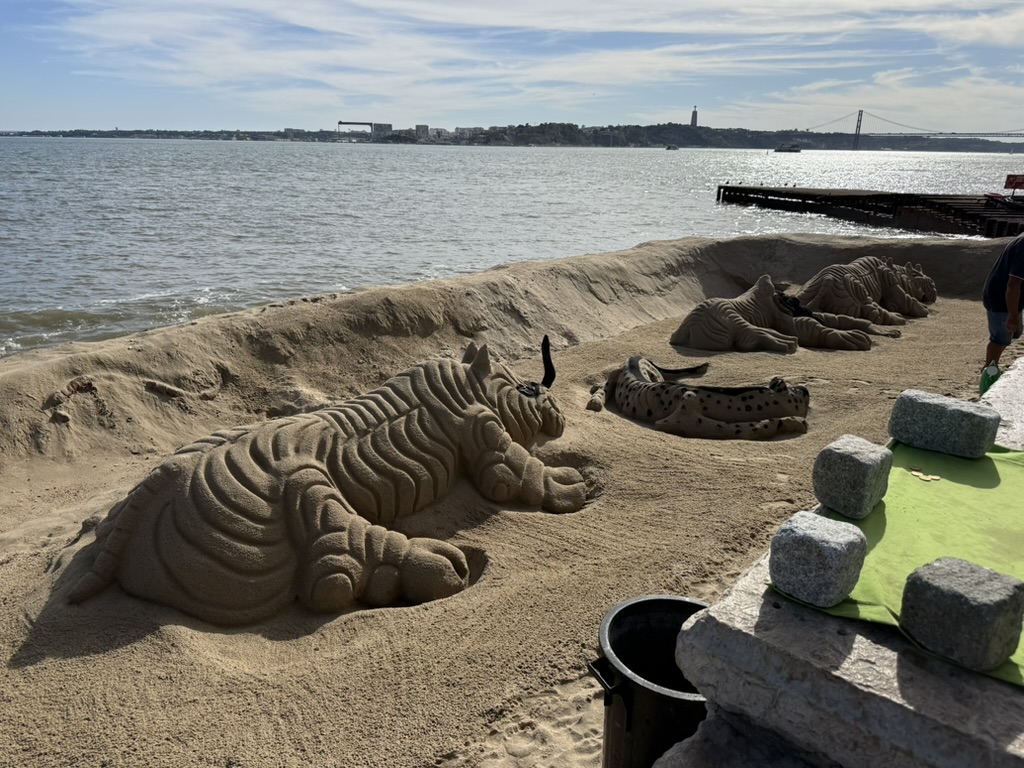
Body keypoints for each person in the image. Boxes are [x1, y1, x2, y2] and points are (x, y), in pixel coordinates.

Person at [982, 231, 1024, 370]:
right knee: (1000, 337)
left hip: (1011, 297)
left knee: (1011, 334)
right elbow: (1013, 284)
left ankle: (991, 365)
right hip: (1001, 297)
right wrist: (1012, 314)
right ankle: (989, 370)